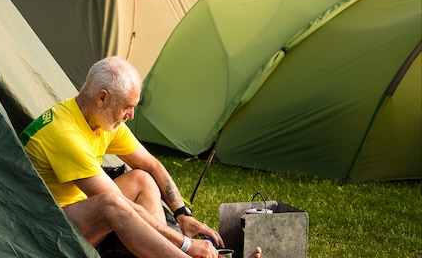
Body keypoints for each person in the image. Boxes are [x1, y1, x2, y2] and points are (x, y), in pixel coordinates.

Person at [20, 56, 263, 258]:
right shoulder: (65, 134)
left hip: (72, 215)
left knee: (142, 179)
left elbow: (152, 165)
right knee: (111, 203)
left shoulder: (98, 119)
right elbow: (122, 206)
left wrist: (182, 215)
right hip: (41, 230)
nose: (131, 115)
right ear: (102, 98)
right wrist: (186, 244)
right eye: (127, 106)